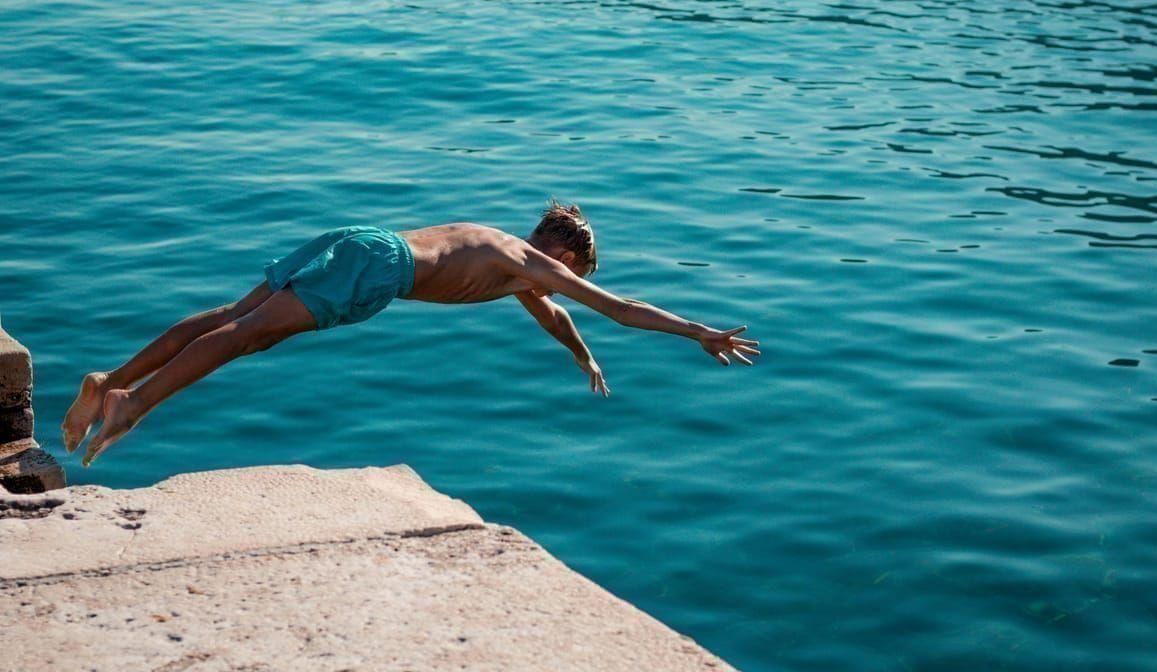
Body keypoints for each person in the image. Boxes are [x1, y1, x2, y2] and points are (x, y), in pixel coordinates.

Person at [62, 201, 760, 467]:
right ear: (569, 256)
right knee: (245, 334)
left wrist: (585, 360)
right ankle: (134, 404)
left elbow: (560, 317)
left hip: (363, 235)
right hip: (381, 269)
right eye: (570, 266)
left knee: (229, 318)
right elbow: (618, 305)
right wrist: (696, 330)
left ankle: (113, 379)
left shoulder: (507, 255)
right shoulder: (535, 265)